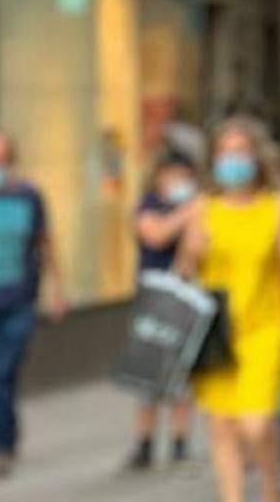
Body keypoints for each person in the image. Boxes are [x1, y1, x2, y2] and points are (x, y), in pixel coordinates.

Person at [178, 117, 280, 502]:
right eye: (224, 152)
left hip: (264, 330)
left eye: (240, 152)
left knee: (256, 424)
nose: (231, 160)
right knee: (222, 426)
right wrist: (191, 252)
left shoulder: (278, 208)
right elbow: (181, 276)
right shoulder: (203, 209)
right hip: (215, 335)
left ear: (257, 158)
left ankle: (272, 488)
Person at [0, 129, 64, 478]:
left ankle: (3, 446)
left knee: (0, 374)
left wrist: (57, 288)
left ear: (10, 161)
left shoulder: (28, 196)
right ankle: (7, 431)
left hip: (18, 301)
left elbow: (44, 242)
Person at [127, 148, 198, 470]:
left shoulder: (199, 210)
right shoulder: (149, 206)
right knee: (149, 374)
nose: (180, 182)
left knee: (182, 374)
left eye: (186, 176)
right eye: (174, 175)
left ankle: (180, 441)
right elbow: (155, 235)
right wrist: (189, 212)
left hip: (187, 297)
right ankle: (144, 442)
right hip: (154, 297)